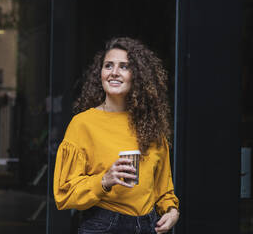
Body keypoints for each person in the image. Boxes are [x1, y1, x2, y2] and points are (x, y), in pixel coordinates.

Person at [53, 37, 179, 234]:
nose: (114, 73)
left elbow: (164, 190)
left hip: (149, 225)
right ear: (100, 74)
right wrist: (105, 180)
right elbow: (65, 193)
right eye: (108, 66)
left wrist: (171, 212)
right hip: (104, 225)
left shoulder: (151, 126)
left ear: (137, 76)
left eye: (124, 67)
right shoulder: (83, 124)